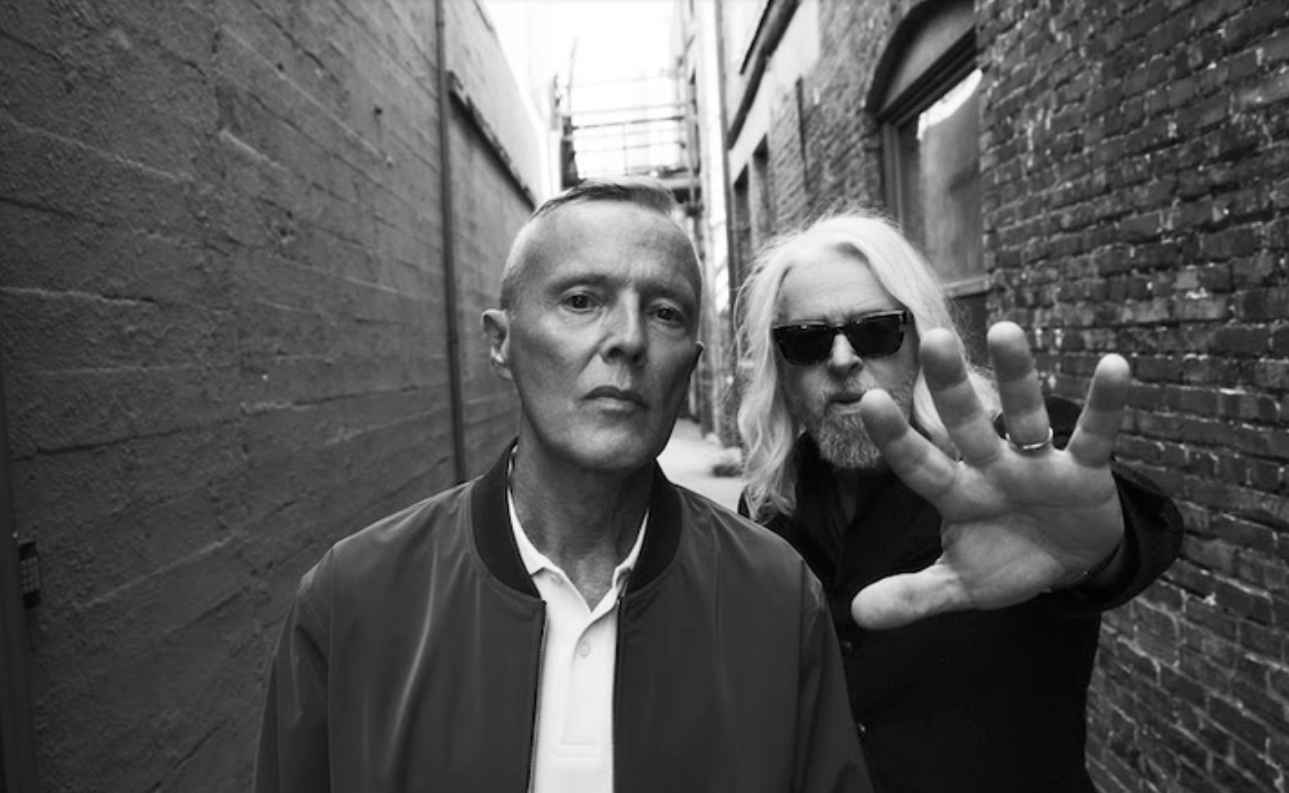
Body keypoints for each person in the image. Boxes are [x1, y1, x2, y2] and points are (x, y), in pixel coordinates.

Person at [254, 178, 872, 793]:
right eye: (581, 301)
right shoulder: (353, 600)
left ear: (692, 361)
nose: (628, 339)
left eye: (665, 313)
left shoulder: (778, 598)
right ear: (501, 343)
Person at [735, 212, 1183, 793]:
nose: (842, 359)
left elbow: (1117, 532)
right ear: (780, 366)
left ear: (920, 340)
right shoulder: (768, 508)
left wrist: (1092, 559)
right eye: (807, 339)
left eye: (876, 331)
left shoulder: (1015, 467)